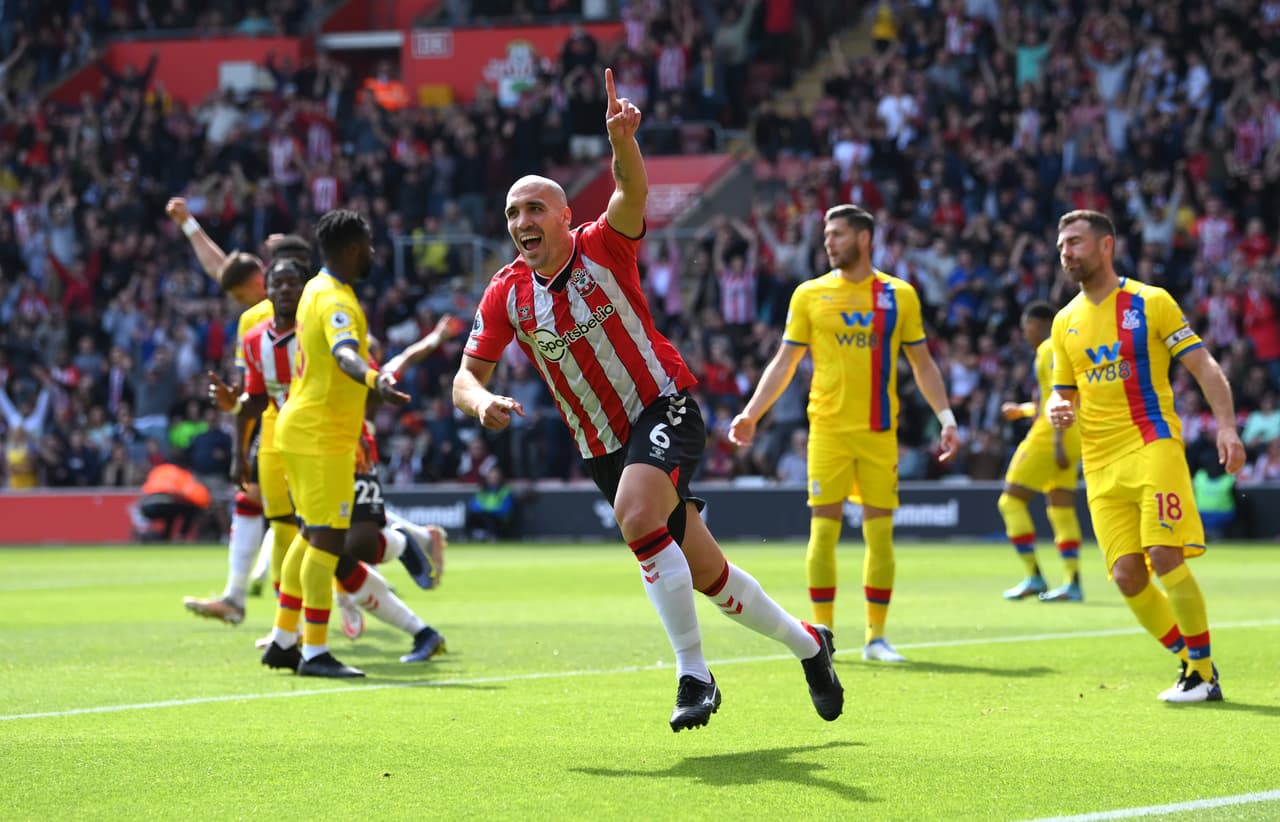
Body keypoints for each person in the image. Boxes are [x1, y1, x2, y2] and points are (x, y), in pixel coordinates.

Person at [447, 68, 843, 732]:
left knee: (636, 514)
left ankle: (694, 675)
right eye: (514, 212)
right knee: (710, 576)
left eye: (536, 207)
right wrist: (480, 400)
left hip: (665, 403)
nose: (523, 220)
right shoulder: (506, 293)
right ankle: (810, 645)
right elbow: (463, 375)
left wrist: (622, 140)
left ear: (566, 216)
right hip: (602, 444)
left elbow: (633, 188)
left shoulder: (606, 244)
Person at [729, 204, 960, 664]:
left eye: (837, 234)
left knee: (880, 536)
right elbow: (784, 361)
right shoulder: (810, 294)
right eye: (826, 235)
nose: (828, 242)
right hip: (829, 430)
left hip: (878, 432)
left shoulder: (899, 296)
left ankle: (876, 637)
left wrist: (947, 416)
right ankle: (824, 634)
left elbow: (923, 365)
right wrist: (753, 413)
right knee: (824, 532)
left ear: (863, 238)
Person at [1047, 209, 1246, 703]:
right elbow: (1062, 392)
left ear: (1106, 245)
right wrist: (1056, 408)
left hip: (1151, 443)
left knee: (1163, 554)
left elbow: (1204, 366)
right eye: (1061, 245)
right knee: (1126, 575)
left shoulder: (1149, 302)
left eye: (1074, 242)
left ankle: (1201, 675)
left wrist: (1226, 427)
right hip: (1098, 463)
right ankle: (1191, 662)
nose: (1065, 252)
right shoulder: (1064, 321)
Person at [260, 209, 410, 678]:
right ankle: (315, 653)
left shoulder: (316, 292)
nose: (371, 252)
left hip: (308, 429)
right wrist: (374, 378)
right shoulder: (334, 301)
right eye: (366, 244)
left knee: (310, 537)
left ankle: (285, 640)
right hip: (318, 434)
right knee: (326, 542)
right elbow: (346, 353)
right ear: (350, 249)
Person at [998, 301, 1084, 602]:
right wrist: (1022, 411)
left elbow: (1062, 398)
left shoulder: (1049, 348)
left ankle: (1034, 576)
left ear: (1041, 323)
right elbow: (1053, 398)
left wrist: (1058, 441)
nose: (1025, 332)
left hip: (1052, 435)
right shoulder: (1061, 347)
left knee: (1010, 501)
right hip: (1073, 435)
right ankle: (1072, 583)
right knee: (1060, 508)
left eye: (1027, 326)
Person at [138, 457, 212, 543]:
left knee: (171, 512)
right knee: (190, 509)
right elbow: (186, 493)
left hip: (146, 505)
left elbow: (145, 488)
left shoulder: (158, 470)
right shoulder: (179, 472)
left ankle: (164, 537)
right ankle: (180, 536)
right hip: (164, 502)